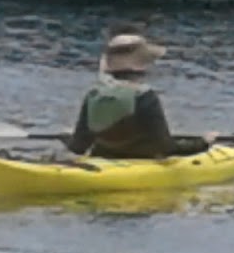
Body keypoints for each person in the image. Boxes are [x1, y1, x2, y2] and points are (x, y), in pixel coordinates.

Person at [63, 26, 210, 159]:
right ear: (143, 65)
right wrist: (202, 143)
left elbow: (78, 147)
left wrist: (67, 138)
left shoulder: (93, 94)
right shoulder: (145, 96)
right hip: (142, 161)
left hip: (103, 158)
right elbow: (166, 147)